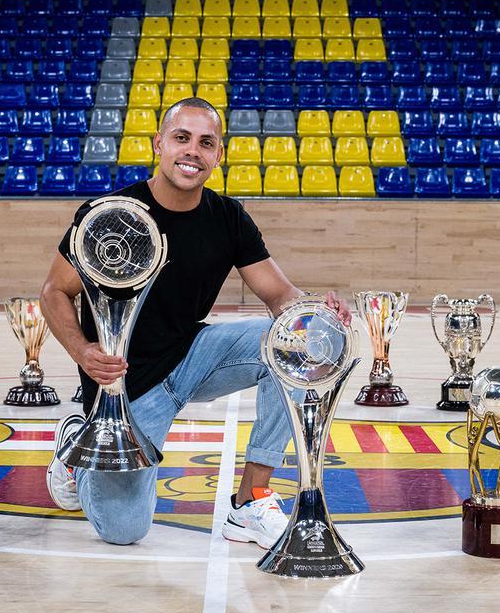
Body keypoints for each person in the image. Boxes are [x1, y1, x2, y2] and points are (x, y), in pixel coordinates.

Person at [40, 97, 351, 547]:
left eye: (206, 143)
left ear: (218, 155)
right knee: (125, 530)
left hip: (190, 359)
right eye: (181, 138)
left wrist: (313, 313)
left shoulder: (227, 217)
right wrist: (81, 351)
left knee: (297, 345)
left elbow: (280, 295)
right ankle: (77, 449)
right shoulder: (110, 214)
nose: (192, 152)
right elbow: (54, 291)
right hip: (124, 389)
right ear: (158, 144)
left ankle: (250, 501)